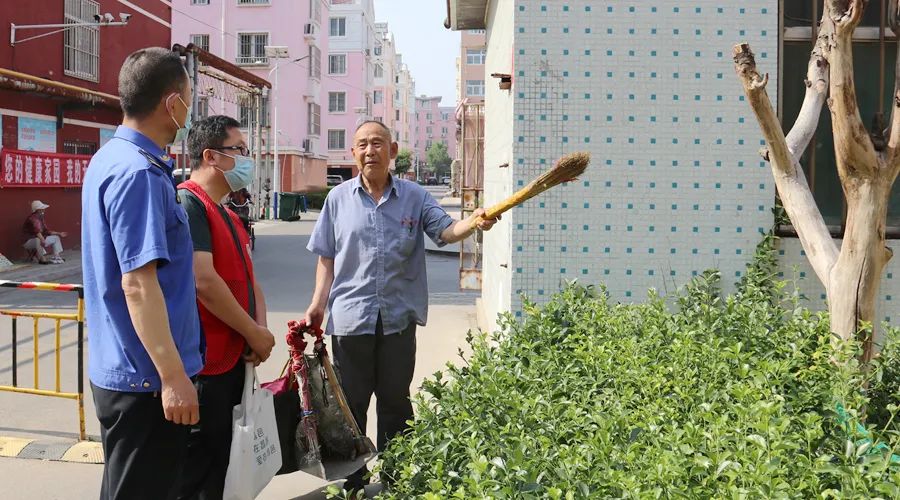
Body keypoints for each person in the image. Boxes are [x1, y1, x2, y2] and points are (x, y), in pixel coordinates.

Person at [304, 120, 499, 494]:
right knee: (352, 407)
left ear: (392, 151)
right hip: (350, 320)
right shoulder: (337, 199)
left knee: (395, 403)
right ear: (353, 153)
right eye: (362, 144)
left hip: (398, 320)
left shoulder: (414, 197)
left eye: (378, 143)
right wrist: (317, 304)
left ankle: (396, 480)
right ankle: (354, 483)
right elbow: (326, 258)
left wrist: (474, 222)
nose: (370, 151)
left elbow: (445, 231)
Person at [81, 47, 202, 500]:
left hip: (128, 369)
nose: (190, 108)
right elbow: (137, 283)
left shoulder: (111, 157)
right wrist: (173, 377)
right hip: (146, 379)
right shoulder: (139, 174)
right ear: (173, 103)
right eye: (189, 97)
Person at [174, 115, 275, 499]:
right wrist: (252, 332)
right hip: (206, 363)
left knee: (223, 469)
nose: (247, 160)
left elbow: (251, 282)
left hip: (234, 359)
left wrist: (259, 333)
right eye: (240, 150)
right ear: (211, 156)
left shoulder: (229, 214)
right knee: (198, 473)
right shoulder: (189, 203)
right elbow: (203, 281)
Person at [23, 200, 67, 264]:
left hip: (39, 239)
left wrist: (59, 233)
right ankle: (42, 258)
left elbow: (46, 231)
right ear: (38, 210)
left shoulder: (40, 217)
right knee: (38, 240)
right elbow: (37, 232)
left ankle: (57, 256)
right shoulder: (32, 218)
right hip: (28, 242)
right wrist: (42, 240)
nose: (44, 209)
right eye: (42, 208)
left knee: (56, 238)